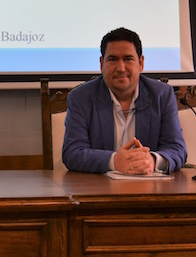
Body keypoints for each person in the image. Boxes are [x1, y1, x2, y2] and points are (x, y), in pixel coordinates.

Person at [61, 27, 186, 174]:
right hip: (99, 189)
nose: (121, 68)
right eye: (113, 59)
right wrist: (114, 161)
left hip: (150, 189)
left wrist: (152, 160)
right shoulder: (81, 98)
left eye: (128, 59)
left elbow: (177, 150)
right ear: (102, 64)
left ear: (141, 63)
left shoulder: (161, 95)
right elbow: (72, 153)